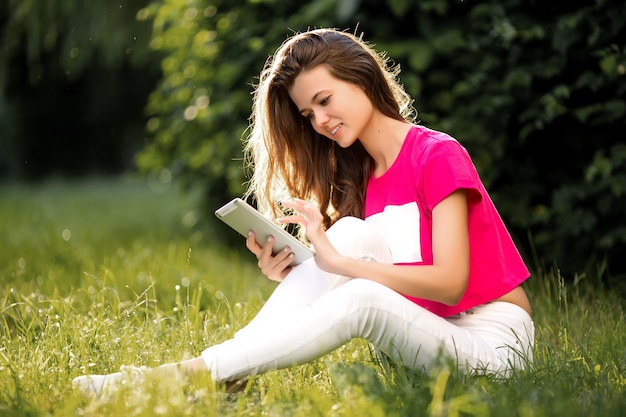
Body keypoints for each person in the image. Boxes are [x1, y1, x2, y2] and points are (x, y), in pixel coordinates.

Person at [73, 28, 534, 395]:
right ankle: (227, 373)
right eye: (308, 114)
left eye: (324, 100)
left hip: (493, 342)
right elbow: (366, 269)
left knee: (356, 280)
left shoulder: (437, 154)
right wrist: (300, 272)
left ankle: (183, 376)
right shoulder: (364, 176)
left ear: (361, 77)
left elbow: (451, 284)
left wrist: (340, 266)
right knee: (349, 233)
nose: (319, 122)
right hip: (428, 330)